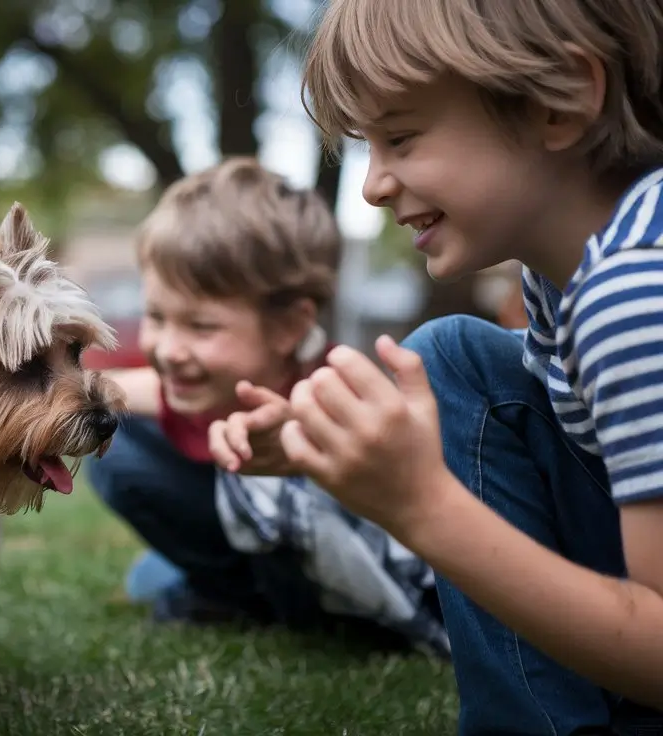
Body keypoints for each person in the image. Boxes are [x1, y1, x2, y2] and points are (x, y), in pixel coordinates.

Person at [274, 0, 663, 731]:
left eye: (402, 138)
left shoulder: (635, 294)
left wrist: (423, 507)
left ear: (558, 102)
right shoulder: (567, 276)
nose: (372, 185)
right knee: (455, 360)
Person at [87, 157, 448, 654]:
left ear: (289, 327)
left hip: (328, 568)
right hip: (252, 542)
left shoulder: (330, 392)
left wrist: (296, 444)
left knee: (196, 527)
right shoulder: (205, 379)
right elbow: (130, 387)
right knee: (116, 434)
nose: (169, 347)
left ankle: (257, 603)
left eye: (201, 326)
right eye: (157, 316)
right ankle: (229, 591)